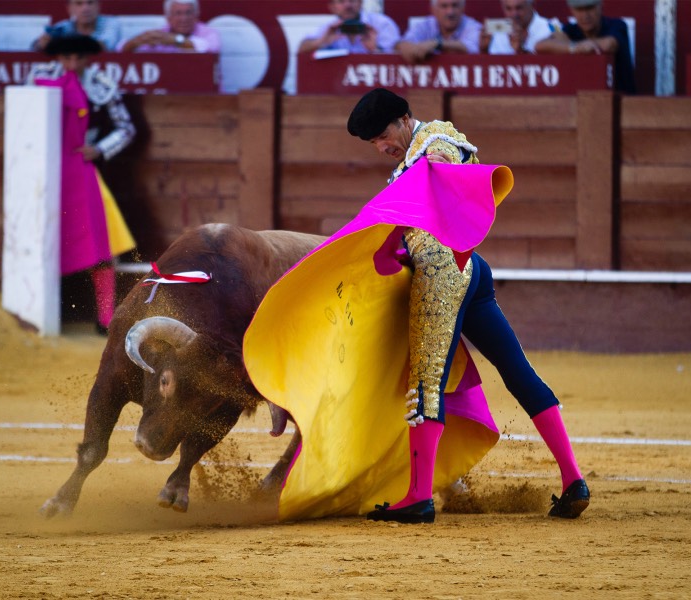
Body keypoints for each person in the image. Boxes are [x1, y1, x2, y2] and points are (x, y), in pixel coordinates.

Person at [243, 88, 590, 525]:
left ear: (406, 119)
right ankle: (573, 479)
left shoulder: (436, 141)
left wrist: (396, 232)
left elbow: (439, 176)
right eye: (373, 144)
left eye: (384, 135)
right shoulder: (412, 162)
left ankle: (419, 497)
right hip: (471, 269)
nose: (382, 147)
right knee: (516, 370)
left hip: (442, 270)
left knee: (425, 382)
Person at [28, 34, 137, 334]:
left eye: (78, 58)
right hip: (44, 172)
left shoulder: (101, 85)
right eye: (66, 58)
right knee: (43, 241)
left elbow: (126, 128)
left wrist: (99, 148)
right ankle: (40, 313)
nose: (72, 64)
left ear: (89, 59)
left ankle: (105, 318)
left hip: (83, 170)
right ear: (56, 58)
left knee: (101, 248)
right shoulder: (38, 79)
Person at [535, 0, 636, 94]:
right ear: (572, 11)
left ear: (600, 5)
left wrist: (578, 45)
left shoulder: (617, 25)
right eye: (579, 10)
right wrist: (574, 47)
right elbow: (540, 46)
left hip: (622, 101)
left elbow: (608, 45)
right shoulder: (571, 30)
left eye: (589, 8)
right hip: (582, 101)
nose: (585, 15)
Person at [297, 0, 401, 55]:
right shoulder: (330, 28)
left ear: (360, 3)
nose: (348, 5)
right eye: (341, 1)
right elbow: (302, 49)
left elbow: (398, 59)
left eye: (352, 0)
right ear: (332, 7)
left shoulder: (382, 24)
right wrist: (321, 41)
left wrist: (375, 50)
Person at [395, 0, 482, 64]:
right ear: (434, 10)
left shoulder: (472, 26)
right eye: (444, 6)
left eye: (455, 6)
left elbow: (472, 48)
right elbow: (403, 43)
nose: (450, 12)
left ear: (463, 8)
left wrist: (437, 44)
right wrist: (410, 49)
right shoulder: (425, 25)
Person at [118, 0, 220, 53]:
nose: (184, 18)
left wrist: (175, 40)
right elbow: (121, 49)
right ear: (168, 17)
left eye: (188, 13)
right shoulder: (160, 34)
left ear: (197, 15)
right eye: (178, 13)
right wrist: (138, 41)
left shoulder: (208, 33)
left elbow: (209, 48)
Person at [31, 0, 122, 52]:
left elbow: (104, 47)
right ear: (69, 8)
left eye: (90, 2)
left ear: (98, 5)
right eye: (79, 3)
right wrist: (41, 44)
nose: (85, 9)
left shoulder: (111, 23)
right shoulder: (64, 26)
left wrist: (57, 44)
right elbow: (35, 46)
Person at [486, 0, 561, 55]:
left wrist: (521, 50)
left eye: (519, 8)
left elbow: (562, 58)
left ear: (532, 5)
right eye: (508, 8)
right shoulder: (498, 28)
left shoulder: (553, 25)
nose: (514, 14)